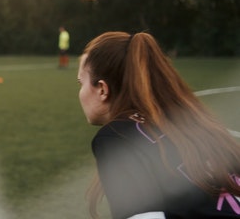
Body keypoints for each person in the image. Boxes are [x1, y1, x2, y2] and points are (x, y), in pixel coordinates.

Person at [77, 31, 240, 219]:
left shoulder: (117, 137)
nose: (80, 92)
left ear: (103, 89)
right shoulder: (191, 126)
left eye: (80, 83)